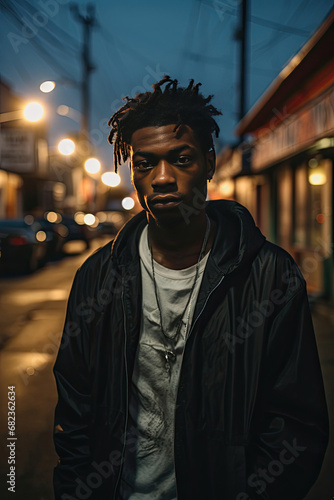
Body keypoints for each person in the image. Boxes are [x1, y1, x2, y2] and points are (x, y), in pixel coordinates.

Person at [53, 76, 329, 500]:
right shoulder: (97, 277)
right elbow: (75, 411)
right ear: (133, 175)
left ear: (210, 163)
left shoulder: (270, 275)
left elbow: (295, 422)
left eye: (180, 159)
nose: (162, 178)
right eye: (144, 164)